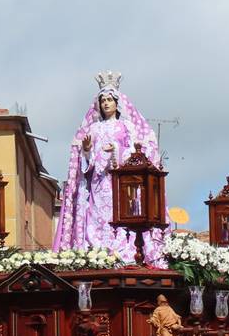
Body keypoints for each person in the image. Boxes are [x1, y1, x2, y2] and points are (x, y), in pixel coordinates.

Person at [51, 74, 167, 264]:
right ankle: (96, 250)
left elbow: (135, 152)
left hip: (119, 183)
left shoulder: (126, 126)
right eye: (102, 100)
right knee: (96, 215)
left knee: (120, 214)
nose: (106, 104)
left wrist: (117, 150)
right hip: (98, 182)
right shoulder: (94, 129)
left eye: (109, 100)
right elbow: (85, 163)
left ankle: (122, 250)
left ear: (117, 103)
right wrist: (87, 150)